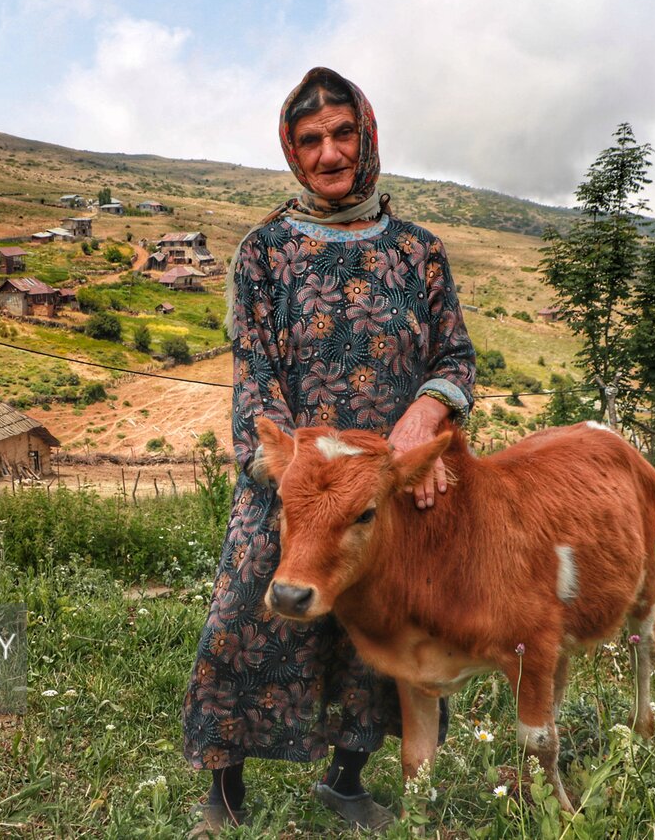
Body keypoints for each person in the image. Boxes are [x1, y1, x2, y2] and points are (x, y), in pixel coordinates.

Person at [181, 67, 477, 835]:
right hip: (295, 485)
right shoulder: (264, 254)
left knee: (377, 632)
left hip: (385, 489)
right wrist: (288, 470)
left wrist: (425, 413)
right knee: (243, 611)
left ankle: (347, 780)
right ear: (292, 149)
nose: (329, 152)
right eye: (310, 139)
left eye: (343, 133)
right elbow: (255, 377)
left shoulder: (420, 252)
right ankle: (224, 791)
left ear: (367, 135)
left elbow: (454, 360)